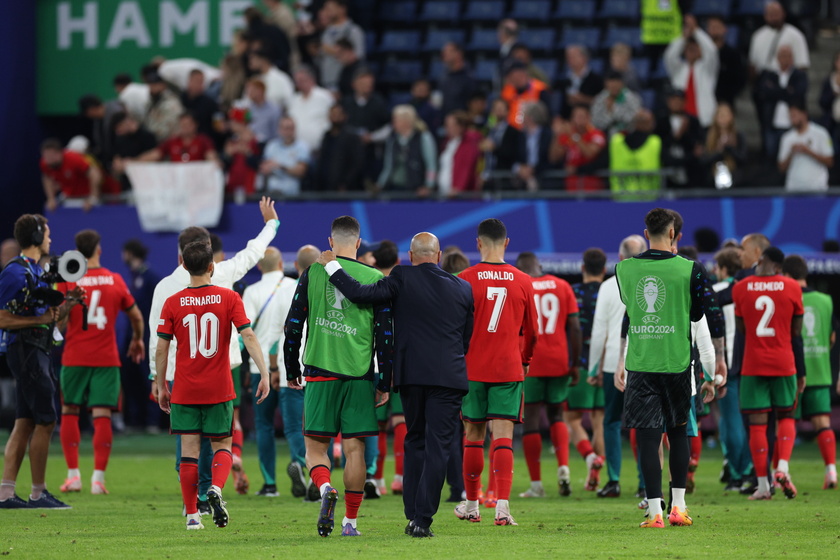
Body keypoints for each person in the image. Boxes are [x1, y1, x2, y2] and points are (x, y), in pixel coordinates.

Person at [317, 231, 474, 537]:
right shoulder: (463, 288)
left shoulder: (402, 276)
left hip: (412, 375)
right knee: (439, 447)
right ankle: (422, 520)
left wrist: (333, 266)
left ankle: (413, 512)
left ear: (411, 257)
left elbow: (361, 293)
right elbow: (464, 338)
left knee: (415, 440)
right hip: (450, 376)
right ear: (439, 256)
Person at [149, 198, 279, 518]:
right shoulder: (225, 280)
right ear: (210, 260)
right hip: (221, 373)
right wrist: (272, 224)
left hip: (182, 376)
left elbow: (159, 341)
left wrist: (158, 379)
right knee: (221, 439)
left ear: (181, 256)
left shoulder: (167, 290)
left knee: (188, 445)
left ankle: (191, 508)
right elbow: (252, 253)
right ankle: (213, 490)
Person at [615, 208, 726, 528]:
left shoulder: (624, 269)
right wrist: (717, 359)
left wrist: (621, 358)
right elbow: (706, 314)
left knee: (648, 439)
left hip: (642, 363)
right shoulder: (692, 269)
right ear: (675, 234)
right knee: (679, 433)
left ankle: (654, 512)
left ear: (646, 233)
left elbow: (631, 311)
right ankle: (678, 507)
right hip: (678, 362)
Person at [284, 216, 392, 538]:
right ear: (358, 244)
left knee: (315, 449)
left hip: (319, 372)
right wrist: (384, 381)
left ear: (330, 242)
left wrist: (291, 370)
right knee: (354, 449)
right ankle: (351, 522)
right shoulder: (375, 277)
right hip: (360, 375)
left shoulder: (312, 272)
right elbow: (385, 336)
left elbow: (293, 325)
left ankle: (326, 487)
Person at [454, 219, 539, 526]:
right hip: (508, 367)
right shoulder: (523, 280)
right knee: (503, 436)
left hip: (472, 368)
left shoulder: (464, 278)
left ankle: (472, 505)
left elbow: (454, 328)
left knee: (473, 436)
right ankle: (502, 508)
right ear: (506, 242)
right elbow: (532, 332)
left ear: (478, 243)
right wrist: (525, 359)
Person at [0, 214, 82, 509]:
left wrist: (68, 303)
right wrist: (39, 318)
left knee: (25, 421)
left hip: (35, 348)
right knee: (46, 420)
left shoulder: (34, 271)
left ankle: (6, 493)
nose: (49, 238)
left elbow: (50, 323)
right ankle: (38, 492)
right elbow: (2, 318)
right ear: (35, 236)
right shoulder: (16, 273)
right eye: (46, 234)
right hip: (26, 350)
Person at [56, 230, 145, 495]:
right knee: (102, 415)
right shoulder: (114, 279)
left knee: (70, 411)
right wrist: (137, 340)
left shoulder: (68, 280)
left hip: (74, 356)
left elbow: (58, 321)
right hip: (106, 358)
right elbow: (136, 317)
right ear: (99, 250)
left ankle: (73, 476)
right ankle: (98, 480)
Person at [732, 247, 804, 501]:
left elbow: (741, 329)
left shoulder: (740, 287)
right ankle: (782, 468)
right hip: (784, 363)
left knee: (757, 425)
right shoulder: (792, 287)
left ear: (761, 260)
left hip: (752, 365)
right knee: (786, 416)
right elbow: (797, 331)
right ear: (779, 267)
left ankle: (762, 486)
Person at [514, 251, 580, 499]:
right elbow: (574, 326)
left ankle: (536, 485)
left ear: (520, 268)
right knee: (557, 414)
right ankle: (563, 468)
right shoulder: (562, 286)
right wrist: (574, 363)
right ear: (539, 265)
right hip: (559, 361)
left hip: (529, 362)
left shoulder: (520, 284)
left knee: (531, 419)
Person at [588, 234, 648, 498]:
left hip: (614, 362)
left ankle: (613, 480)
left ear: (620, 258)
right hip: (647, 362)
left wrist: (593, 368)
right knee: (645, 424)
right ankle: (646, 483)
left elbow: (599, 330)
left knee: (611, 422)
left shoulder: (609, 286)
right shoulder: (654, 282)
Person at [241, 247, 299, 498]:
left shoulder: (252, 292)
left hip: (259, 368)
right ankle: (305, 471)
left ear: (258, 267)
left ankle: (270, 484)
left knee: (263, 426)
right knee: (298, 426)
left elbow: (244, 332)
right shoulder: (296, 286)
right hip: (292, 367)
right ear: (281, 264)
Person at [782, 255, 837, 490]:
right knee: (822, 423)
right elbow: (832, 337)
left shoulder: (785, 297)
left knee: (786, 422)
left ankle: (781, 470)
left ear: (785, 276)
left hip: (792, 373)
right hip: (820, 371)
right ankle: (831, 471)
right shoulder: (826, 300)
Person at [710, 247, 752, 491]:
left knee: (730, 420)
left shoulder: (716, 292)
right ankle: (751, 468)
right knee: (750, 419)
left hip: (723, 362)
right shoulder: (748, 289)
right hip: (749, 360)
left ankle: (738, 472)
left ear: (724, 268)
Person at [568, 249, 608, 492]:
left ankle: (590, 457)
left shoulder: (573, 294)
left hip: (581, 362)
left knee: (571, 419)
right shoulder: (611, 293)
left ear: (583, 268)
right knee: (599, 420)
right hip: (606, 362)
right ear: (604, 270)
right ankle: (598, 475)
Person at [121, 239, 161, 432]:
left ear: (130, 253)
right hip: (132, 335)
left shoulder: (150, 277)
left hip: (146, 336)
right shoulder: (135, 276)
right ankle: (135, 420)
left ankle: (153, 421)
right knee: (132, 379)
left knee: (148, 379)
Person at [755, 46, 809, 161]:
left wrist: (775, 90)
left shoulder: (799, 75)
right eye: (782, 55)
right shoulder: (769, 74)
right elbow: (763, 94)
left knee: (791, 157)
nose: (785, 59)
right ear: (777, 58)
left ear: (792, 58)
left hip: (793, 125)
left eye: (788, 56)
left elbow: (798, 94)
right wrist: (786, 91)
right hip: (772, 122)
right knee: (771, 155)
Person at [664, 15, 719, 128]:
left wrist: (696, 31)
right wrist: (683, 37)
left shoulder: (707, 68)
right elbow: (669, 56)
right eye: (688, 48)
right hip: (681, 121)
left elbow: (711, 51)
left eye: (695, 47)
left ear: (700, 49)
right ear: (684, 50)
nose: (691, 50)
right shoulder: (678, 69)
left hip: (705, 119)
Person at [377, 105, 437, 196]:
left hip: (417, 190)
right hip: (395, 188)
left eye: (396, 119)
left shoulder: (423, 138)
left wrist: (428, 186)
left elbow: (431, 165)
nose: (393, 123)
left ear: (406, 121)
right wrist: (380, 185)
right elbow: (388, 166)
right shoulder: (393, 140)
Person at [778, 102, 833, 192]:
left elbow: (830, 161)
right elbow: (781, 168)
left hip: (817, 188)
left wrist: (808, 151)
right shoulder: (787, 138)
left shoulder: (821, 133)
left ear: (804, 114)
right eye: (790, 116)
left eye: (794, 115)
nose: (792, 119)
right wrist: (791, 153)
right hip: (793, 189)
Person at [655, 88, 704, 189]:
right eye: (673, 100)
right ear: (668, 102)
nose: (676, 102)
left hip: (690, 168)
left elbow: (697, 145)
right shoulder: (661, 121)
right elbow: (660, 144)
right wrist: (678, 134)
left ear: (684, 102)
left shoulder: (693, 121)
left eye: (679, 100)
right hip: (668, 167)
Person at [748, 1, 810, 76]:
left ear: (783, 14)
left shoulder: (796, 35)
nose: (773, 18)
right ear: (765, 16)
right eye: (770, 14)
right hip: (763, 80)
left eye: (776, 14)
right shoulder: (757, 36)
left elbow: (802, 65)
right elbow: (753, 65)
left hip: (787, 81)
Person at [609, 110, 662, 196]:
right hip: (648, 198)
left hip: (621, 198)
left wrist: (581, 170)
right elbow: (669, 161)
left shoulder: (616, 141)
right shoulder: (655, 142)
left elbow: (600, 162)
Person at [40, 138, 102, 212]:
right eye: (45, 156)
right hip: (69, 199)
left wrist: (93, 198)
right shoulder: (45, 163)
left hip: (86, 199)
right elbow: (47, 178)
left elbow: (95, 174)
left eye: (50, 156)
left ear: (59, 153)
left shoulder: (73, 159)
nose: (47, 160)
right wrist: (51, 198)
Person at [318, 0, 366, 91]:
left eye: (330, 8)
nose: (327, 12)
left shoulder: (353, 31)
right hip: (326, 82)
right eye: (326, 8)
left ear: (342, 9)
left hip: (345, 84)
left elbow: (359, 57)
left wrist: (336, 52)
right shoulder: (326, 32)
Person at [315, 104, 364, 192]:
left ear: (345, 116)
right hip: (325, 186)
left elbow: (357, 163)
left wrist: (346, 183)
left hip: (345, 188)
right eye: (332, 114)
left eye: (338, 114)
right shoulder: (327, 136)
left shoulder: (352, 137)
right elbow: (322, 161)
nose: (335, 117)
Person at [259, 117, 310, 197]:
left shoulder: (302, 147)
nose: (288, 131)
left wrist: (280, 166)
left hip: (292, 195)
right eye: (285, 128)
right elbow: (263, 168)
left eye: (291, 128)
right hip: (272, 194)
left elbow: (300, 171)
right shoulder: (271, 146)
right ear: (279, 130)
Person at [141, 112, 219, 164]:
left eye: (188, 124)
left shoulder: (203, 140)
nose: (185, 128)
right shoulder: (172, 141)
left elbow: (211, 156)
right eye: (183, 125)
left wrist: (215, 162)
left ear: (195, 125)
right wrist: (135, 161)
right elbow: (156, 154)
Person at [480, 99, 524, 190]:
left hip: (505, 177)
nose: (498, 111)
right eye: (496, 109)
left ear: (507, 111)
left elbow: (512, 153)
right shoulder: (487, 130)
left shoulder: (513, 132)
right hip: (487, 177)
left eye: (501, 109)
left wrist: (494, 148)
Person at [701, 103, 747, 189]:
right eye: (721, 115)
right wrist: (719, 152)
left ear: (732, 117)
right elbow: (703, 161)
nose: (724, 118)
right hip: (711, 181)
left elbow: (743, 159)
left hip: (735, 180)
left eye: (726, 115)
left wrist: (730, 148)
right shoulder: (707, 135)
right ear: (716, 117)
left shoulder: (739, 136)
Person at [288, 66, 334, 151]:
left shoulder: (324, 96)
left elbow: (333, 119)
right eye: (297, 81)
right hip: (298, 149)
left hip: (320, 147)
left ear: (311, 79)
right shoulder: (294, 100)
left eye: (302, 80)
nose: (299, 83)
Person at [438, 111, 482, 196]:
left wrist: (459, 188)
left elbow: (467, 167)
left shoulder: (468, 145)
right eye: (446, 125)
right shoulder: (447, 143)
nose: (447, 128)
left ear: (460, 127)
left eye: (451, 125)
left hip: (458, 195)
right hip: (444, 193)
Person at [706, 17, 746, 107]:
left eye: (717, 27)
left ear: (725, 29)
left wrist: (727, 97)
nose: (714, 30)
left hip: (725, 101)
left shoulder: (733, 54)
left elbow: (740, 80)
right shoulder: (701, 54)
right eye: (711, 27)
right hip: (704, 100)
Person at [514, 102, 553, 192]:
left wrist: (533, 170)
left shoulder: (548, 135)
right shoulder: (520, 135)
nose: (522, 118)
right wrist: (519, 168)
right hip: (523, 177)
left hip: (544, 176)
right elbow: (514, 156)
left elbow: (549, 158)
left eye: (524, 115)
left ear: (530, 117)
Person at [500, 60, 550, 130]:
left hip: (533, 131)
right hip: (510, 131)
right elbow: (497, 113)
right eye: (510, 76)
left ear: (524, 73)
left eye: (517, 75)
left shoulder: (539, 89)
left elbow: (548, 116)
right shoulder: (507, 91)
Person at [591, 71, 643, 136]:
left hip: (628, 134)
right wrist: (609, 116)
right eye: (611, 86)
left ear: (622, 84)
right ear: (606, 84)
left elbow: (634, 119)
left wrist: (614, 109)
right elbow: (595, 121)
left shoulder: (632, 98)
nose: (614, 88)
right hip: (605, 134)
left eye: (616, 85)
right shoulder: (600, 99)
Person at [560, 45, 603, 119]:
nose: (570, 60)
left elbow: (603, 101)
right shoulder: (564, 80)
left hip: (591, 118)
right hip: (569, 121)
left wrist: (583, 99)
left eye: (573, 56)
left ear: (584, 58)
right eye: (568, 57)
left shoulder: (597, 80)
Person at [142, 70, 184, 143]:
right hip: (155, 143)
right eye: (150, 85)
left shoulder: (171, 103)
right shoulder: (152, 102)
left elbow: (166, 131)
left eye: (155, 85)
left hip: (169, 144)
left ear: (163, 85)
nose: (151, 88)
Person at [180, 69, 219, 140]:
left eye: (202, 82)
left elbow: (218, 126)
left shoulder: (210, 104)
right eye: (197, 81)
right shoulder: (180, 99)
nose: (200, 85)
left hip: (203, 142)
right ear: (189, 81)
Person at [440, 42, 475, 117]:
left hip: (463, 122)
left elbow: (474, 104)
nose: (444, 54)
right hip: (446, 121)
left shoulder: (469, 77)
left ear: (459, 54)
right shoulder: (444, 76)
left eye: (448, 51)